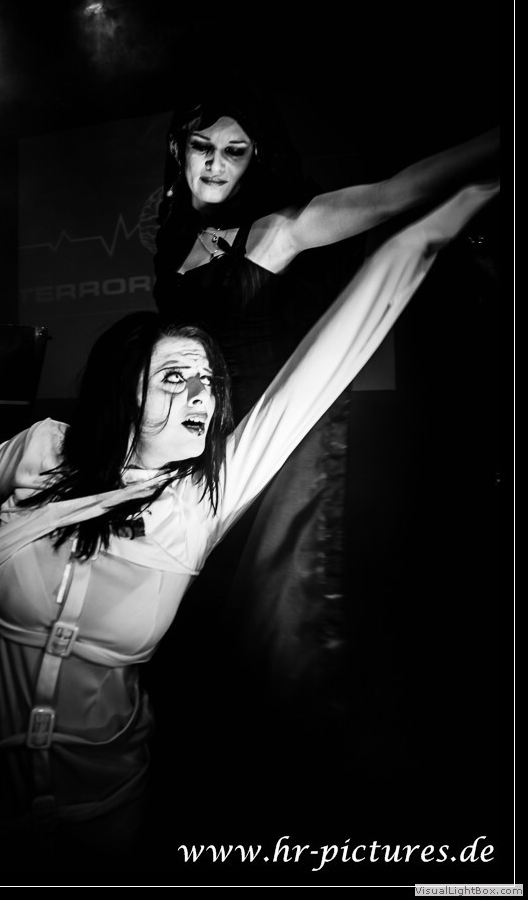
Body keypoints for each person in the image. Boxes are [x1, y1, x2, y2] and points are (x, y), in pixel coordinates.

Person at [0, 176, 497, 879]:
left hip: (104, 806)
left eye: (208, 382)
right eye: (176, 378)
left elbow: (324, 362)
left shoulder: (202, 497)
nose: (202, 394)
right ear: (126, 388)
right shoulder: (47, 445)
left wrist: (433, 227)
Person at [150, 93, 501, 811]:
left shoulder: (279, 229)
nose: (215, 164)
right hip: (195, 449)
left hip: (268, 446)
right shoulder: (173, 241)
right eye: (202, 147)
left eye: (234, 151)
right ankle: (205, 771)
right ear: (180, 150)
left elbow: (396, 193)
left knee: (268, 614)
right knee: (185, 608)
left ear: (255, 158)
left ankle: (286, 784)